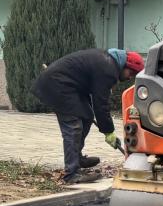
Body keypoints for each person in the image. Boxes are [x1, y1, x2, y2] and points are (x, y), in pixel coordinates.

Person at [32, 48, 141, 184]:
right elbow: (101, 103)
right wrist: (108, 132)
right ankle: (71, 174)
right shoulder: (108, 69)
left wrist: (106, 128)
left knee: (87, 116)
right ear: (124, 65)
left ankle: (76, 158)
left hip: (68, 86)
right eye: (131, 73)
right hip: (56, 85)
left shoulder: (108, 62)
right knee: (73, 126)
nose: (130, 77)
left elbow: (94, 98)